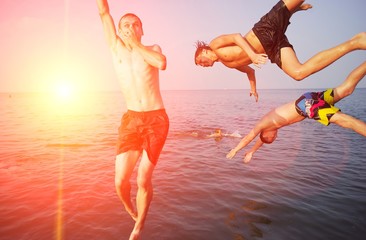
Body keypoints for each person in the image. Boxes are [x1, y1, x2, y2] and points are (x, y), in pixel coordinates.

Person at [194, 0, 366, 102]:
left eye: (199, 62)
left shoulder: (215, 44)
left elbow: (237, 37)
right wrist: (253, 88)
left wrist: (252, 54)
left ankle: (293, 8)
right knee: (298, 73)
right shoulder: (227, 64)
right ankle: (355, 43)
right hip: (272, 48)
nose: (202, 66)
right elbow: (250, 71)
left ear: (203, 52)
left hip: (265, 29)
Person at [96, 1, 169, 239]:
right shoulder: (115, 48)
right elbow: (104, 12)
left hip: (156, 119)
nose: (130, 27)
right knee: (120, 182)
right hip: (131, 120)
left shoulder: (152, 47)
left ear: (141, 30)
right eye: (125, 25)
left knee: (143, 178)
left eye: (135, 25)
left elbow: (161, 63)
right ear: (118, 30)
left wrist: (137, 45)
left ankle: (138, 228)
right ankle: (130, 209)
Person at [226, 61, 366, 163]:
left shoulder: (263, 124)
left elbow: (250, 137)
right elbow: (260, 141)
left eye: (271, 138)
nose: (275, 138)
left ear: (265, 133)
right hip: (308, 99)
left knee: (345, 121)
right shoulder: (271, 126)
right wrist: (251, 152)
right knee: (346, 89)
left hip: (306, 105)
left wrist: (235, 150)